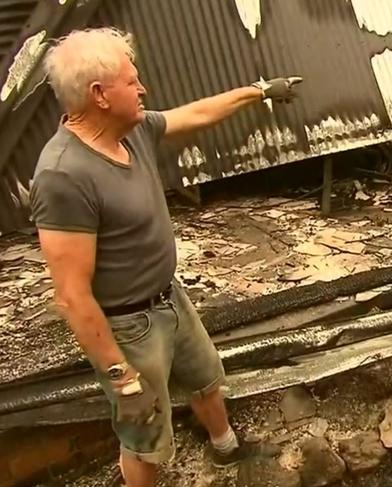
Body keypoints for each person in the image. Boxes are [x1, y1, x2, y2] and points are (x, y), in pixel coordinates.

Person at [29, 27, 302, 487]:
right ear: (99, 95)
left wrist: (258, 91)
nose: (143, 89)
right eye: (132, 82)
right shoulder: (63, 176)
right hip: (128, 326)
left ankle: (225, 448)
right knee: (145, 433)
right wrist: (121, 378)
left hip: (169, 297)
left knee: (206, 376)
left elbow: (194, 113)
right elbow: (73, 296)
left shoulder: (129, 131)